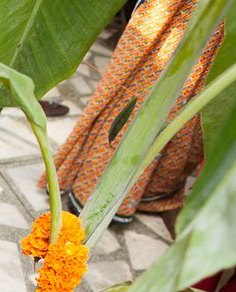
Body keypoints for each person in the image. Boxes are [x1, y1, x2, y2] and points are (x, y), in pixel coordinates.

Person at [41, 0, 225, 228]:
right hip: (181, 12)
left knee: (192, 116)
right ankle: (89, 192)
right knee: (141, 92)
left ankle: (156, 193)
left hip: (226, 29)